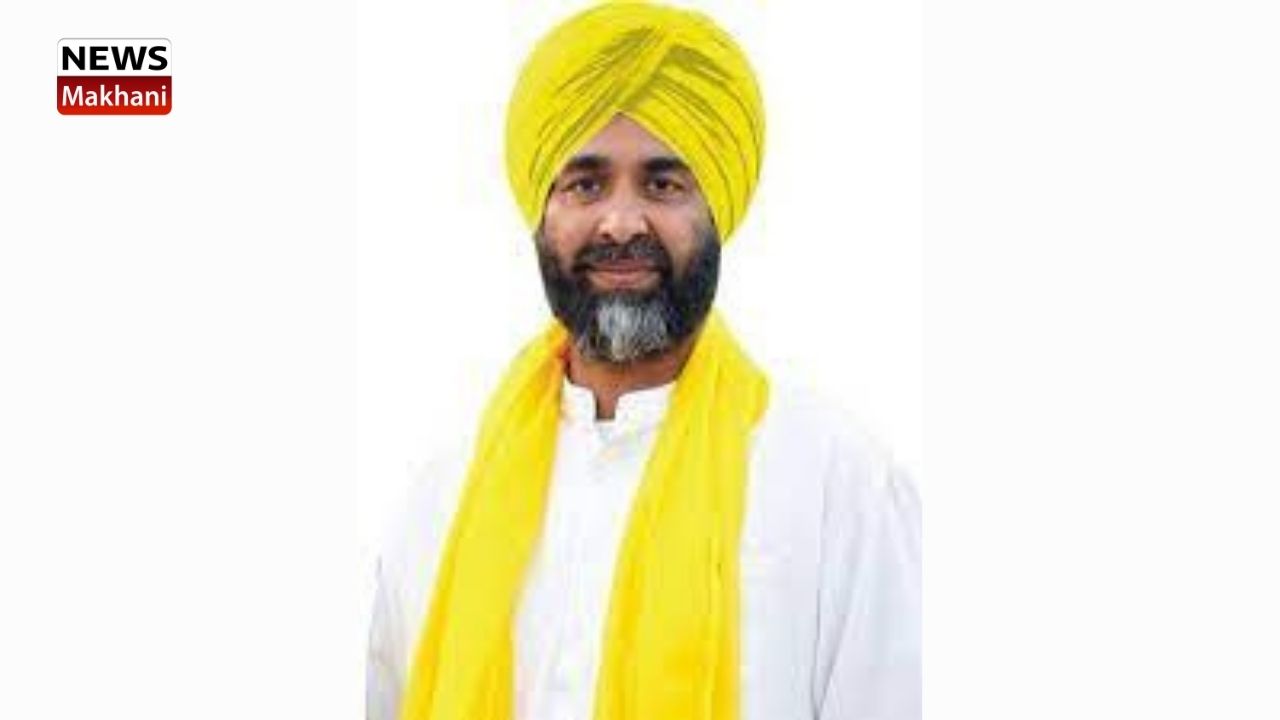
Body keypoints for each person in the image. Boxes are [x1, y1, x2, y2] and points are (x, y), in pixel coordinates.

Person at [366, 2, 920, 719]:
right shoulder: (442, 499)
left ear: (715, 210)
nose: (622, 222)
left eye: (662, 184)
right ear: (543, 212)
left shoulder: (837, 487)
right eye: (586, 183)